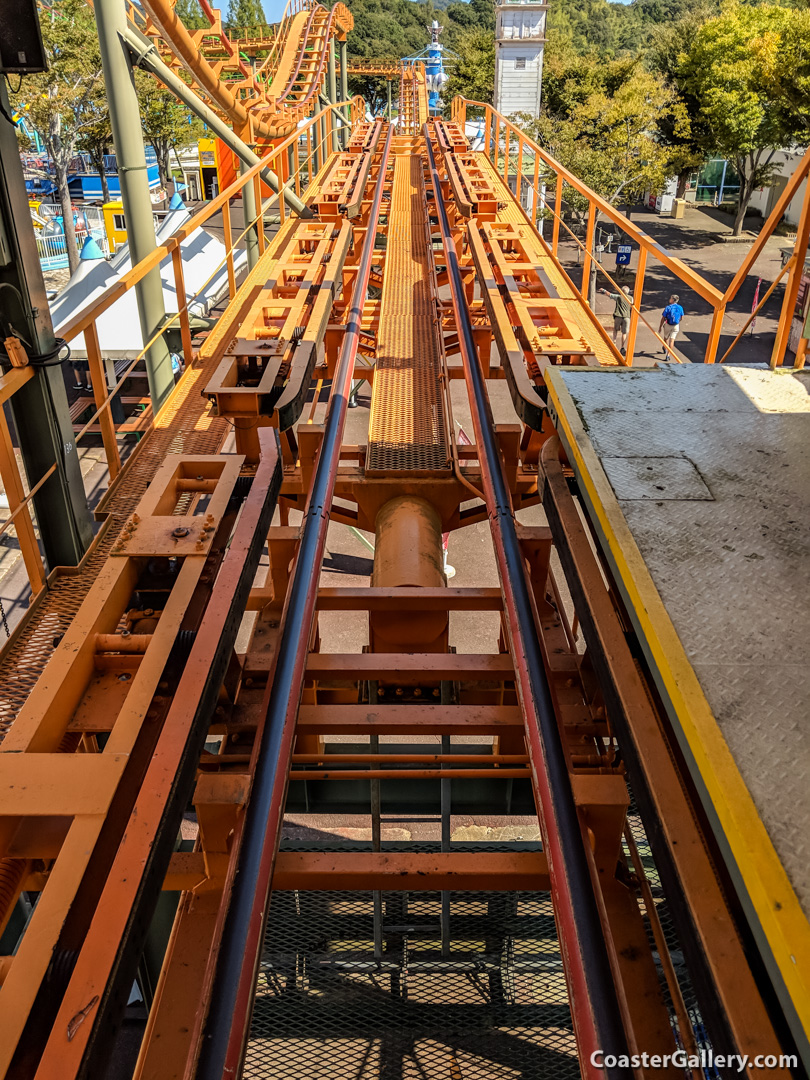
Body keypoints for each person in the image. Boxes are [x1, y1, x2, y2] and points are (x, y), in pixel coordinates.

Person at [599, 285, 632, 355]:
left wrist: (603, 290)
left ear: (622, 291)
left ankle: (614, 343)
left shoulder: (619, 297)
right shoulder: (631, 298)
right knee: (624, 332)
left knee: (615, 330)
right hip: (626, 317)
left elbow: (610, 295)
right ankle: (622, 347)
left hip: (618, 316)